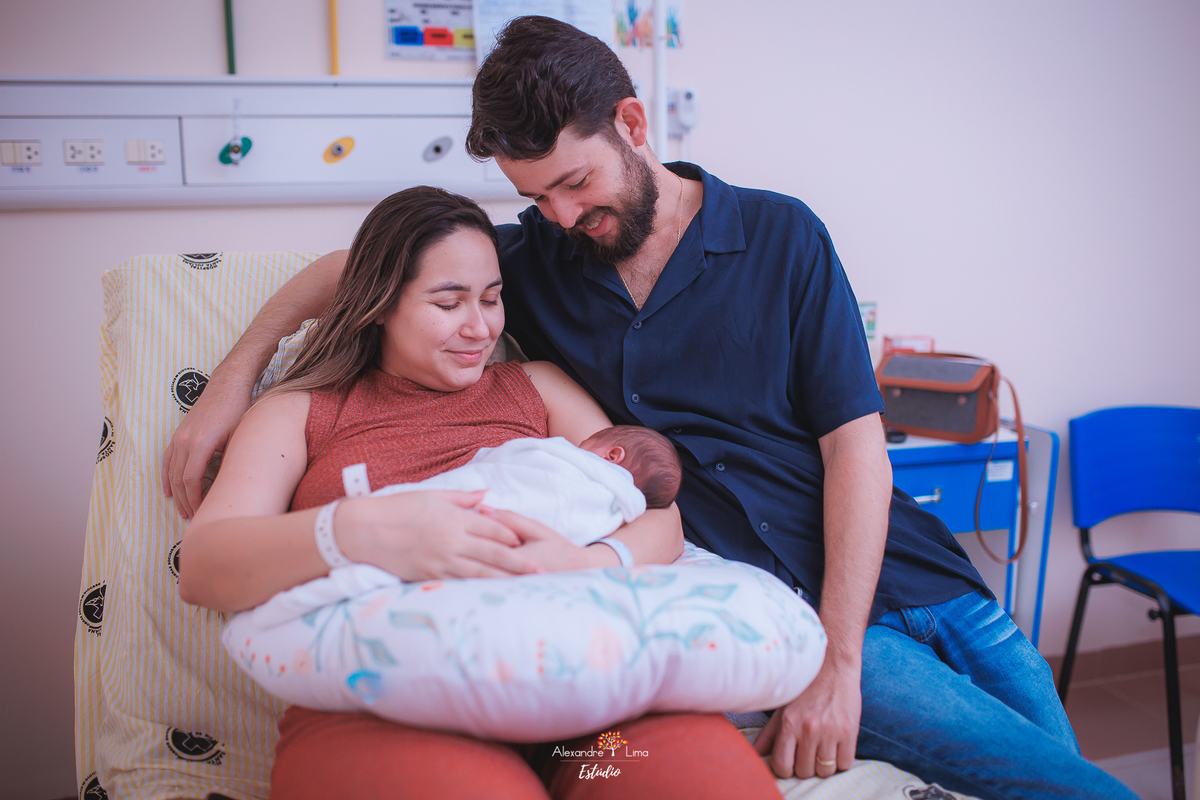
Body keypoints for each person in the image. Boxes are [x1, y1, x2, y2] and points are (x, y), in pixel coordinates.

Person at [165, 16, 1137, 800]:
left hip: (911, 578)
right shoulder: (531, 264)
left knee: (1071, 767)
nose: (558, 216)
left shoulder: (781, 236)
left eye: (573, 183)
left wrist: (834, 664)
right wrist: (234, 382)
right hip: (780, 613)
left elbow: (852, 450)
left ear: (632, 124)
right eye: (533, 196)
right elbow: (373, 266)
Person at [176, 185, 783, 799]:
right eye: (448, 303)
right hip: (389, 701)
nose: (480, 327)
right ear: (380, 302)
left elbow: (659, 518)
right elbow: (203, 566)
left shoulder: (535, 387)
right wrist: (363, 532)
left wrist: (585, 563)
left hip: (583, 708)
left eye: (492, 299)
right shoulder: (301, 413)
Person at [371, 426, 683, 548]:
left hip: (484, 499)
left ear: (612, 455)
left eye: (584, 444)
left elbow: (518, 455)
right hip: (517, 542)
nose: (576, 449)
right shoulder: (619, 512)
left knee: (402, 512)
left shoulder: (573, 462)